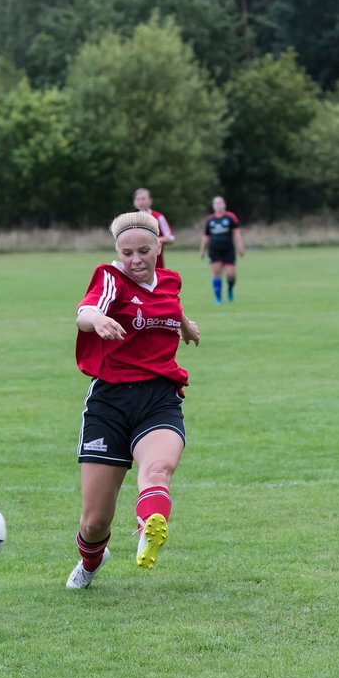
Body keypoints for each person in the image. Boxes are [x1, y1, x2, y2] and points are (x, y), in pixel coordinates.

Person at [67, 211, 200, 589]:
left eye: (144, 251)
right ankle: (91, 561)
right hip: (109, 404)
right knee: (94, 522)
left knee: (157, 471)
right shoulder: (110, 278)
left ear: (159, 247)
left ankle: (149, 527)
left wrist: (185, 325)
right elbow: (86, 310)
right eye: (127, 253)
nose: (136, 260)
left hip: (159, 398)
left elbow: (167, 302)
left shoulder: (170, 281)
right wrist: (96, 320)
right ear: (117, 252)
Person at [197, 195, 244, 304]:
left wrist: (240, 247)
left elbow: (236, 234)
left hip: (228, 250)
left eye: (220, 203)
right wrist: (202, 250)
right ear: (213, 206)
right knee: (216, 272)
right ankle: (218, 298)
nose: (218, 205)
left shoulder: (231, 217)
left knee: (231, 275)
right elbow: (206, 236)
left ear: (224, 204)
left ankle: (230, 289)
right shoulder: (210, 219)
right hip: (214, 250)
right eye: (215, 203)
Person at [132, 187, 175, 269]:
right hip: (134, 265)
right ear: (134, 202)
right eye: (138, 199)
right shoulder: (129, 219)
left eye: (143, 199)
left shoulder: (158, 217)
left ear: (150, 201)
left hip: (156, 266)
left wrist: (149, 241)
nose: (140, 202)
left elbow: (170, 238)